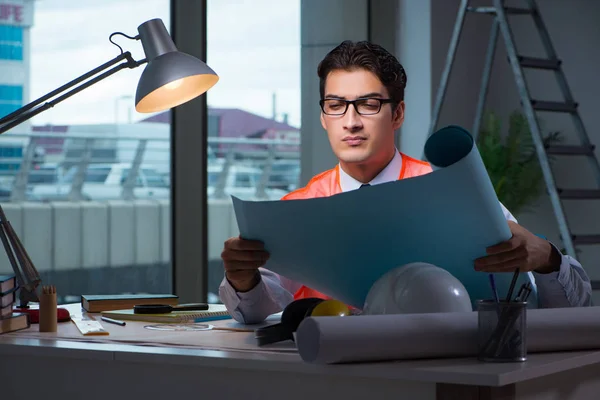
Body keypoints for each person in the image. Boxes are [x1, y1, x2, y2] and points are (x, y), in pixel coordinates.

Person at [218, 40, 592, 324]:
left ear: (396, 114)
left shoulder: (452, 193)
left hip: (442, 375)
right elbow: (256, 314)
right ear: (323, 117)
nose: (350, 122)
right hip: (328, 379)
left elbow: (577, 304)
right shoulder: (297, 209)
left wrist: (546, 257)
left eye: (367, 104)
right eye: (336, 105)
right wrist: (241, 279)